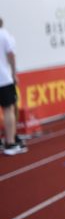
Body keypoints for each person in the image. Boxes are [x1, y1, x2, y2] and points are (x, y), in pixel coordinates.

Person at [0, 17, 27, 155]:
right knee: (8, 109)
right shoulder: (4, 35)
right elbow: (11, 55)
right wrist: (14, 72)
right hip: (3, 78)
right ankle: (10, 142)